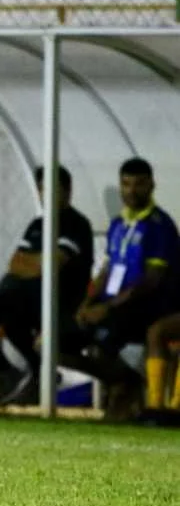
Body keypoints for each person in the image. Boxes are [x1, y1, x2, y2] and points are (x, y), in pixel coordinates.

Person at [0, 165, 93, 406]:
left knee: (7, 317)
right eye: (43, 189)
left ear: (68, 191)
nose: (48, 195)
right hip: (18, 298)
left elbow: (50, 265)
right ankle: (11, 372)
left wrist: (35, 263)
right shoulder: (37, 225)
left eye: (54, 189)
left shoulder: (76, 224)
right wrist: (39, 263)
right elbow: (15, 263)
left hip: (56, 304)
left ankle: (38, 374)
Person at [54, 158, 178, 420]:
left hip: (143, 307)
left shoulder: (159, 226)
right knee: (51, 342)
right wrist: (86, 304)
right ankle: (123, 383)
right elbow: (107, 270)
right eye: (126, 184)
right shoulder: (117, 224)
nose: (132, 191)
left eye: (139, 184)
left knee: (103, 339)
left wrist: (106, 308)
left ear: (152, 185)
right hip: (112, 305)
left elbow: (151, 281)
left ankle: (139, 397)